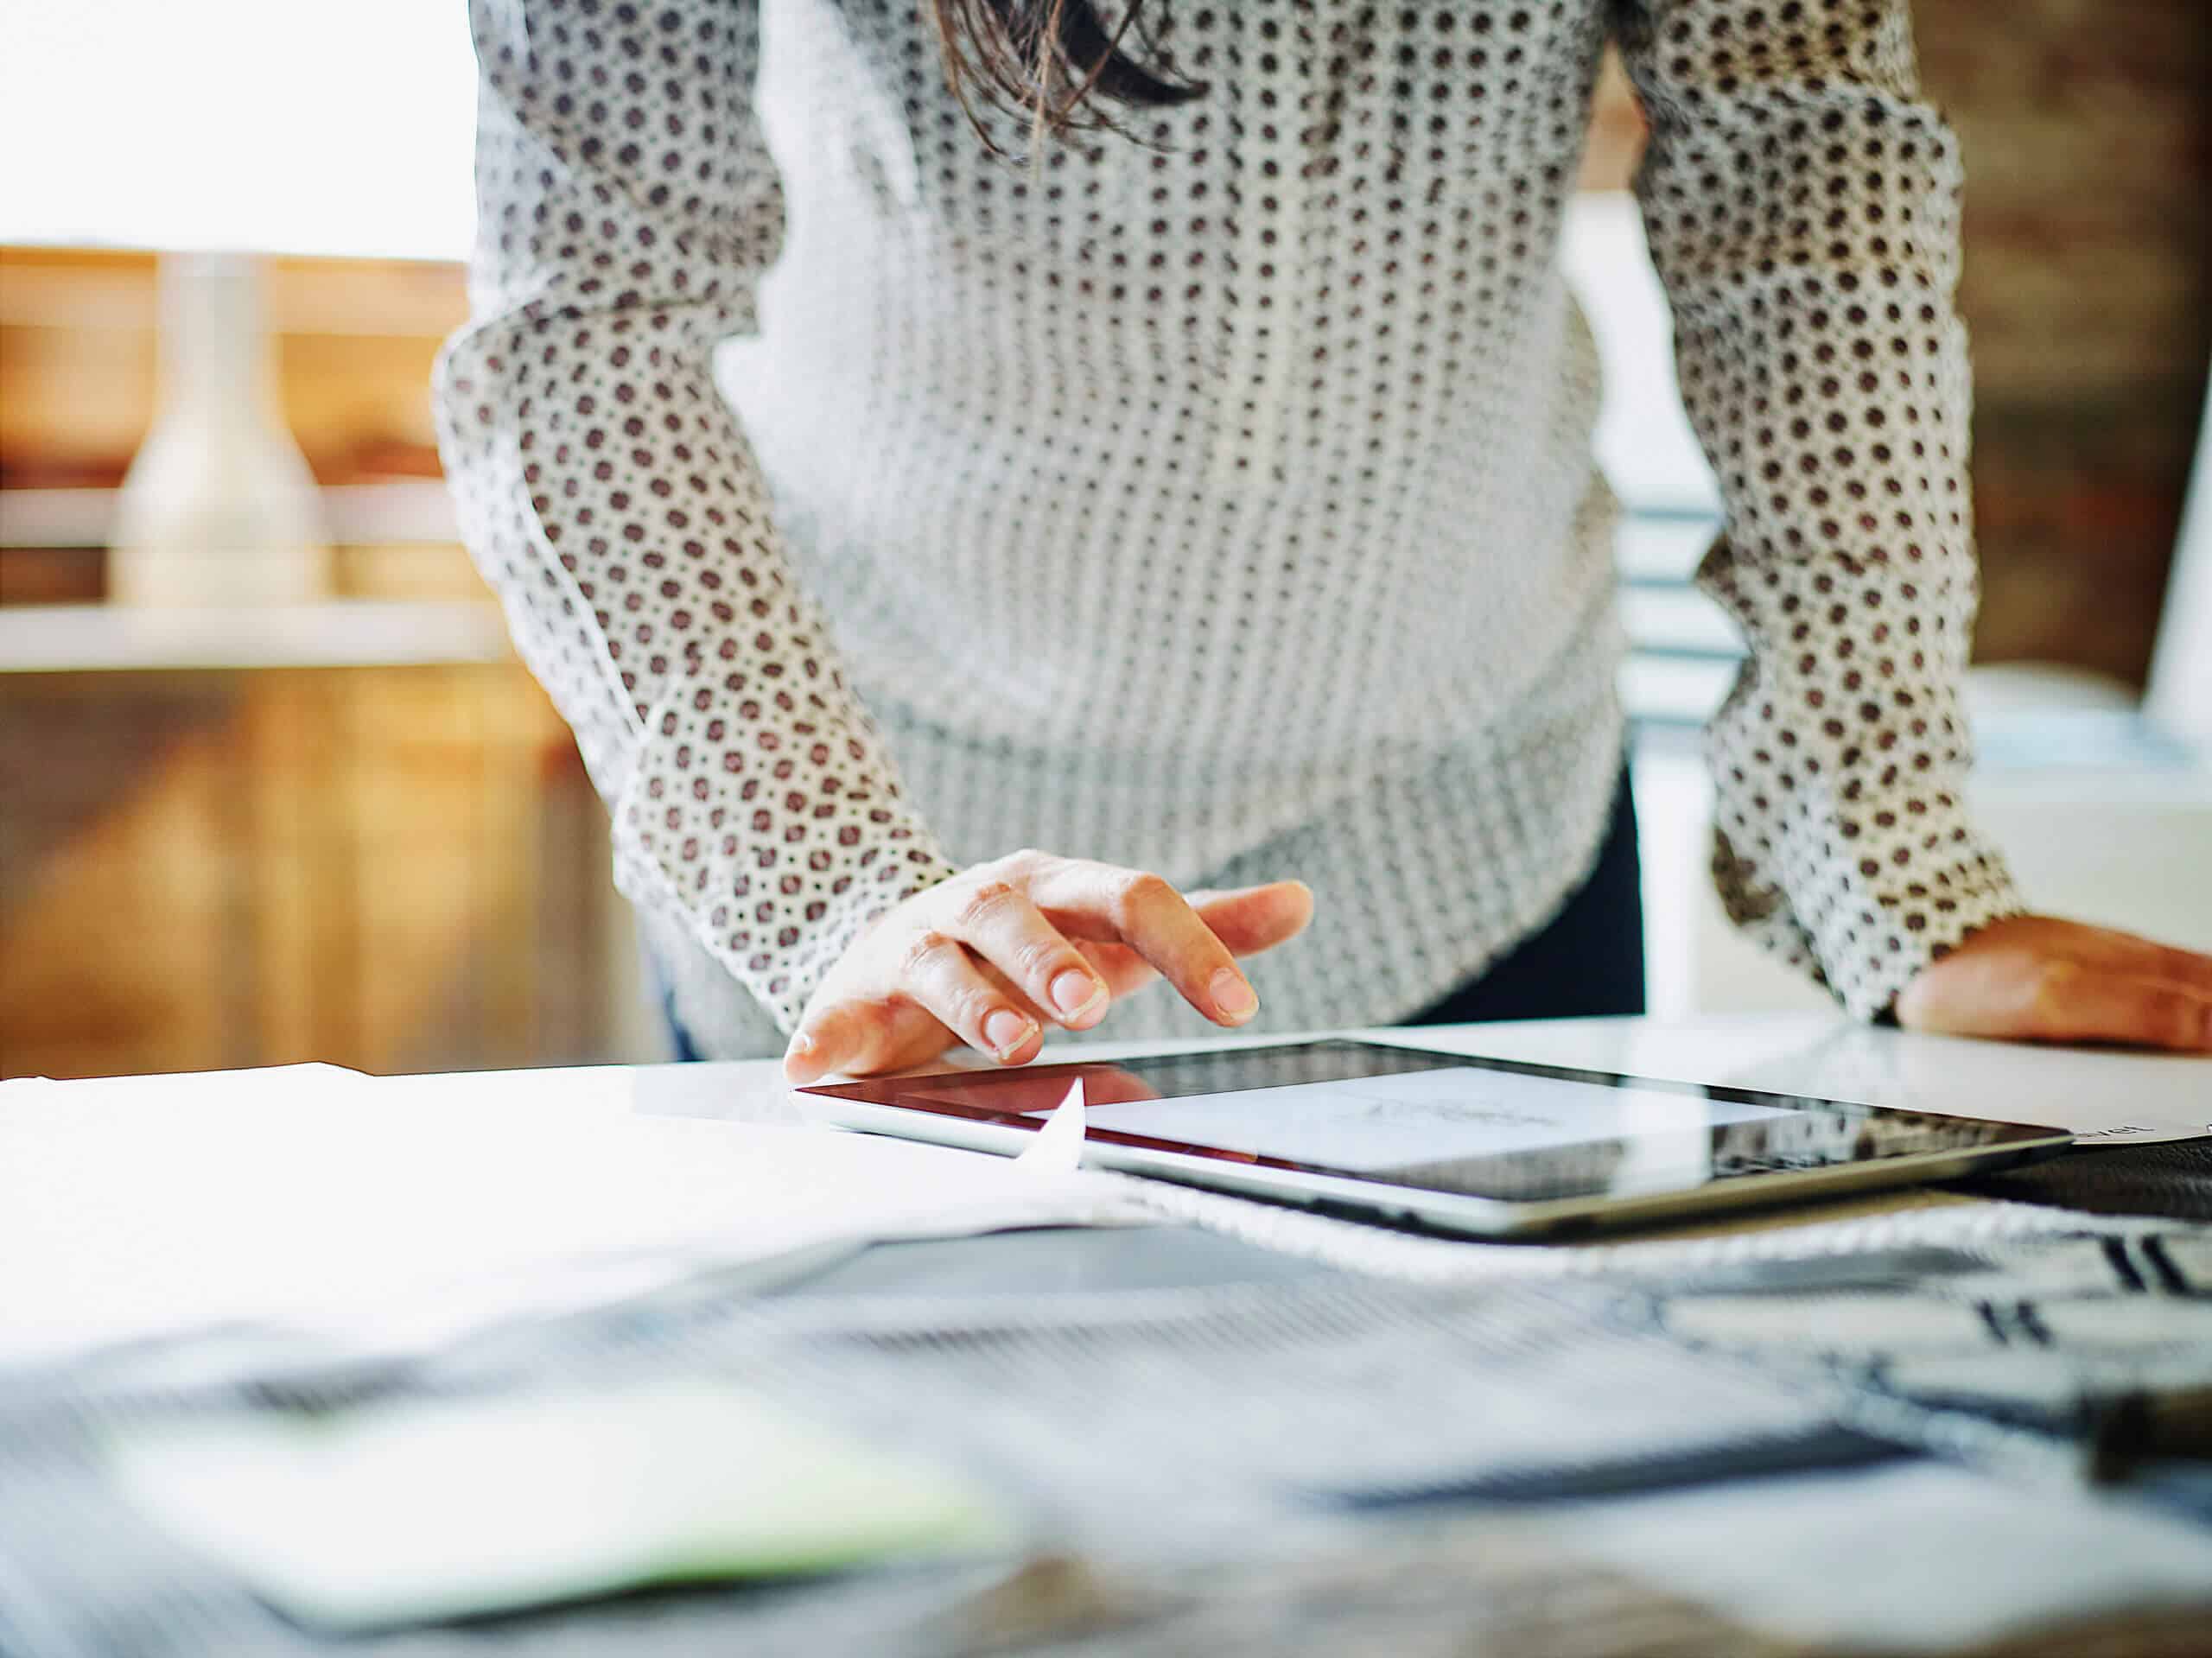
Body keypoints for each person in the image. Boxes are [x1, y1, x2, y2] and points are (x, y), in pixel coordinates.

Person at [435, 0, 2212, 1080]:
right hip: (894, 858)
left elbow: (1801, 175)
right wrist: (828, 885)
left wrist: (1890, 863)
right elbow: (586, 320)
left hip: (1471, 838)